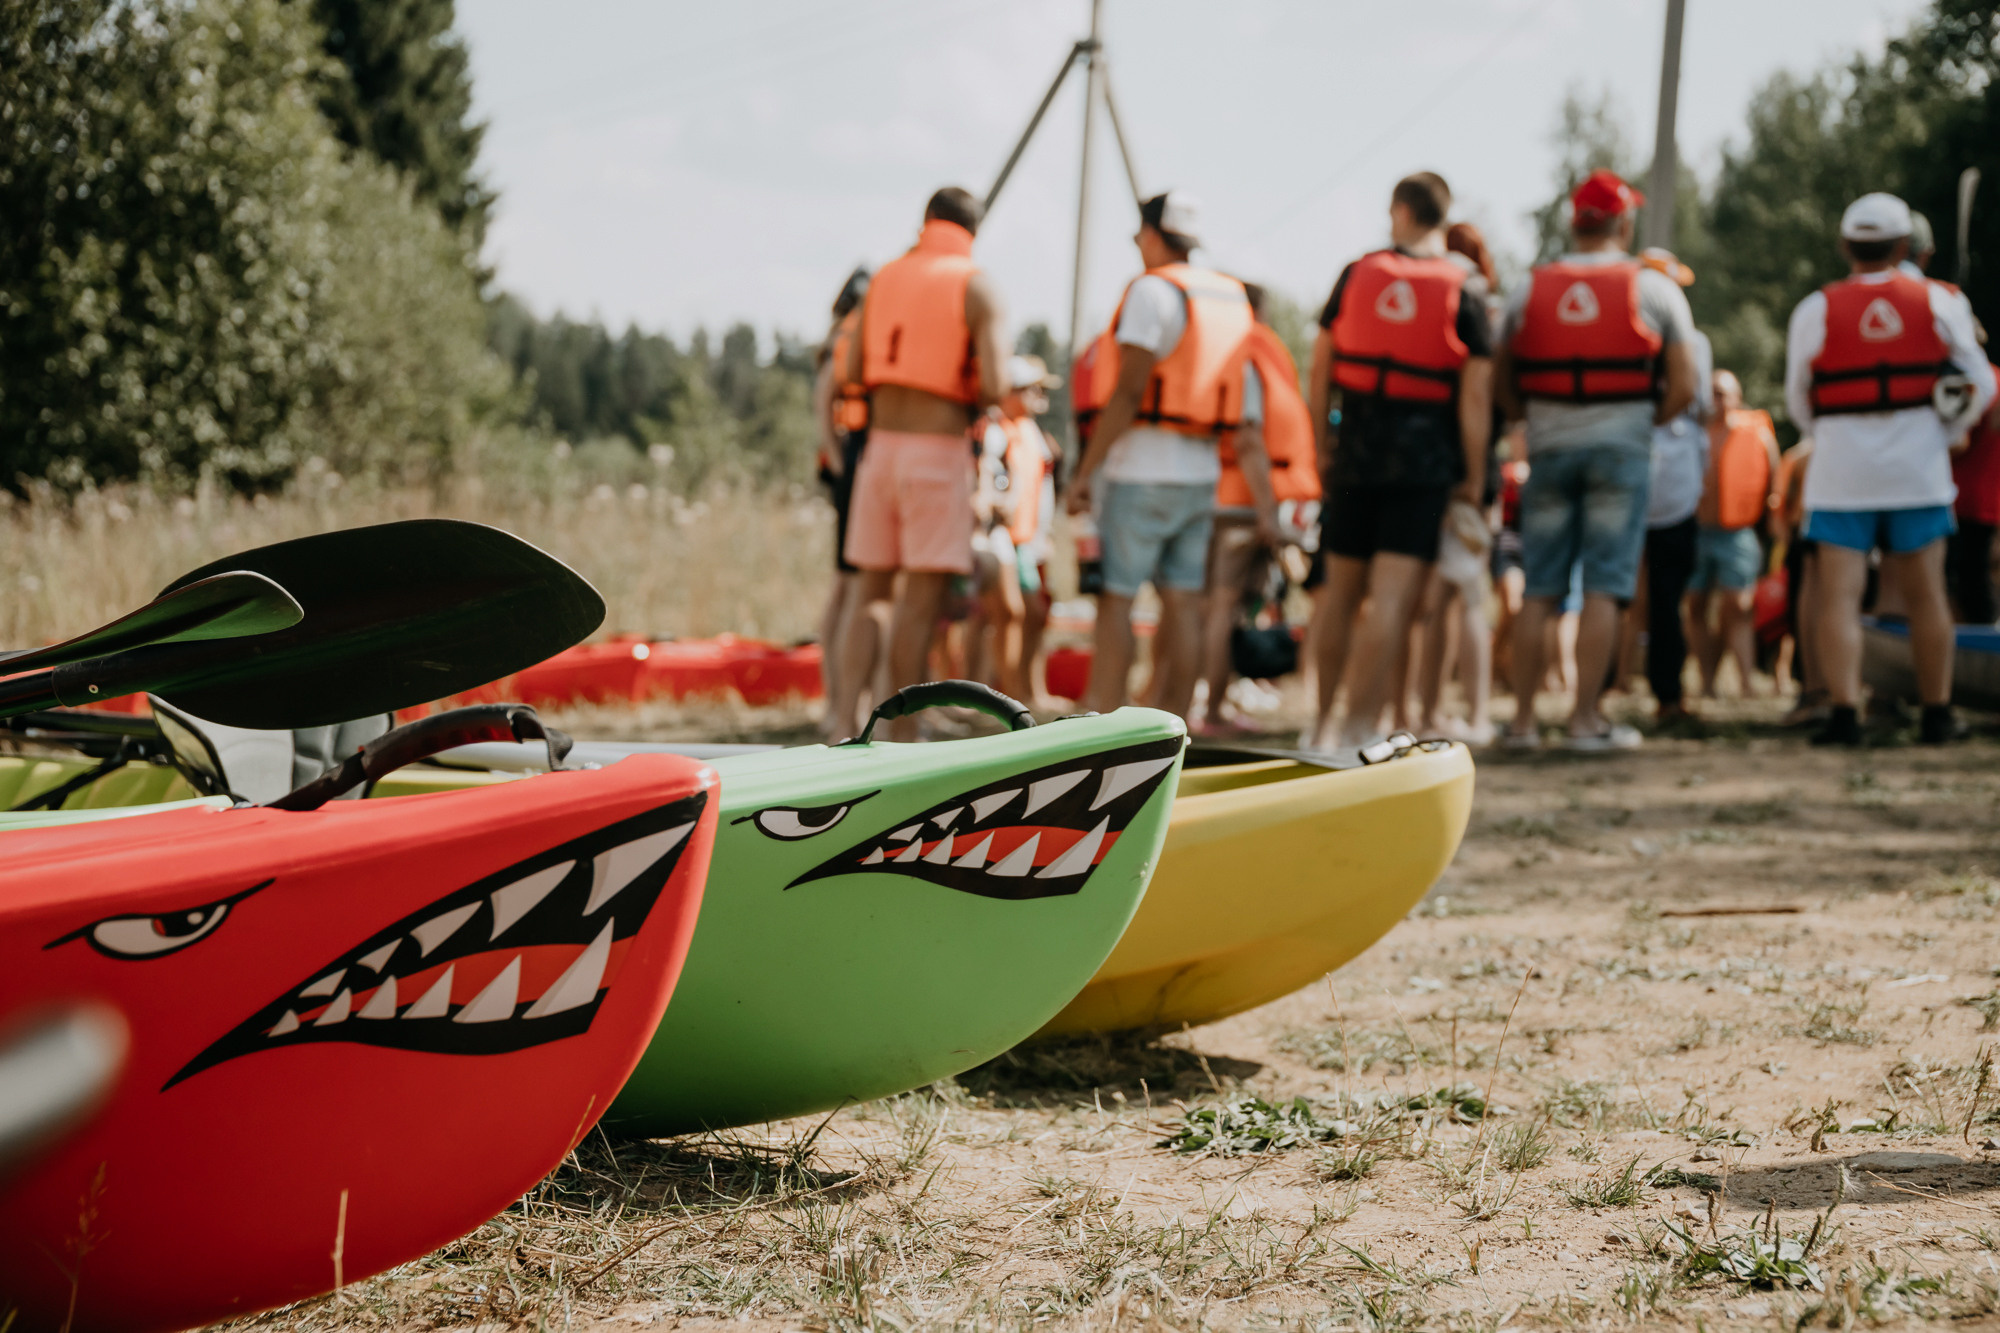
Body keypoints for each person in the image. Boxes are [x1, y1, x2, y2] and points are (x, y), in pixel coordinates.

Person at [1495, 168, 1699, 751]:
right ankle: (1585, 722)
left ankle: (1523, 724)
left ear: (1574, 223)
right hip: (1621, 454)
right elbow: (1684, 384)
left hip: (1549, 451)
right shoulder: (1655, 289)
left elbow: (1500, 376)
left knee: (1540, 588)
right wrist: (1642, 423)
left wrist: (1529, 419)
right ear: (1624, 223)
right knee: (1606, 587)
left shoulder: (1529, 288)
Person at [1785, 192, 1996, 745]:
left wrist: (1830, 434)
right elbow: (1982, 381)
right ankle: (1937, 714)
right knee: (1928, 593)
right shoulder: (1938, 301)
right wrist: (1946, 431)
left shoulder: (1815, 309)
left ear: (1845, 246)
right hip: (1917, 472)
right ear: (1904, 246)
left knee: (1839, 597)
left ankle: (1843, 714)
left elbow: (1798, 401)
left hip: (1840, 476)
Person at [1305, 171, 1494, 749]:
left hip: (1354, 455)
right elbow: (1476, 399)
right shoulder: (1467, 288)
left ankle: (1318, 725)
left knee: (1340, 596)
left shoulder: (1356, 273)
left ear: (1401, 212)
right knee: (1389, 601)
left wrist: (1320, 444)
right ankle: (1358, 729)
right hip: (1423, 465)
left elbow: (1320, 370)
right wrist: (1474, 476)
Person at [1065, 192, 1259, 719]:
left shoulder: (1150, 291)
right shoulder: (1229, 297)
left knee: (1118, 600)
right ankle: (1175, 726)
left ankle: (1104, 721)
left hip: (1140, 473)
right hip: (1201, 474)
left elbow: (1128, 392)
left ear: (1152, 235)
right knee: (1184, 604)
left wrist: (1085, 472)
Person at [836, 187, 1009, 740]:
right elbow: (996, 385)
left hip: (879, 451)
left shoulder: (885, 276)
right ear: (973, 230)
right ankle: (902, 735)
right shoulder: (977, 285)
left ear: (926, 220)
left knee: (870, 594)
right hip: (936, 453)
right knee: (916, 608)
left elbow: (853, 369)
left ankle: (841, 718)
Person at [1198, 282, 1309, 734]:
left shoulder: (1210, 355)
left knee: (1205, 607)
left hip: (1214, 495)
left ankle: (1194, 704)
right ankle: (1211, 711)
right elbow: (1247, 439)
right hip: (1239, 505)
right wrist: (1268, 512)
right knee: (1222, 610)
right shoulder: (1245, 358)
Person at [1630, 249, 1712, 727]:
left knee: (1607, 588)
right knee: (1666, 594)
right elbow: (1699, 401)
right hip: (1675, 478)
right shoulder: (1695, 342)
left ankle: (1594, 693)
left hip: (1625, 459)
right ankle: (1668, 695)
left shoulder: (1617, 334)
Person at [972, 355, 1062, 704]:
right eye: (1030, 389)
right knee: (1001, 614)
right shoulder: (995, 428)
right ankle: (1004, 694)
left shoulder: (1029, 430)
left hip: (1025, 537)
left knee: (1020, 614)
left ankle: (1018, 691)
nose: (1039, 396)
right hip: (999, 535)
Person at [1685, 369, 1780, 699]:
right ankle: (1707, 682)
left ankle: (1746, 682)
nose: (1716, 400)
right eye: (1711, 392)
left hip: (1737, 533)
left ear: (1737, 398)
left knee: (1738, 605)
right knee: (1695, 605)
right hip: (1696, 531)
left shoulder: (1757, 433)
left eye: (1722, 393)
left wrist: (1773, 522)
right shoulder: (1692, 432)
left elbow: (1774, 478)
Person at [811, 267, 872, 737]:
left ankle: (842, 700)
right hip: (851, 465)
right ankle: (837, 703)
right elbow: (823, 404)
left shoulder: (844, 336)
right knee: (850, 586)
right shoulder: (846, 339)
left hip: (853, 465)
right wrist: (839, 464)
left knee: (849, 585)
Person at [1949, 377, 2000, 623]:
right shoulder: (1993, 380)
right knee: (1976, 573)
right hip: (1987, 499)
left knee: (1961, 577)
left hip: (1959, 498)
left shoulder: (1971, 380)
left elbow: (1958, 443)